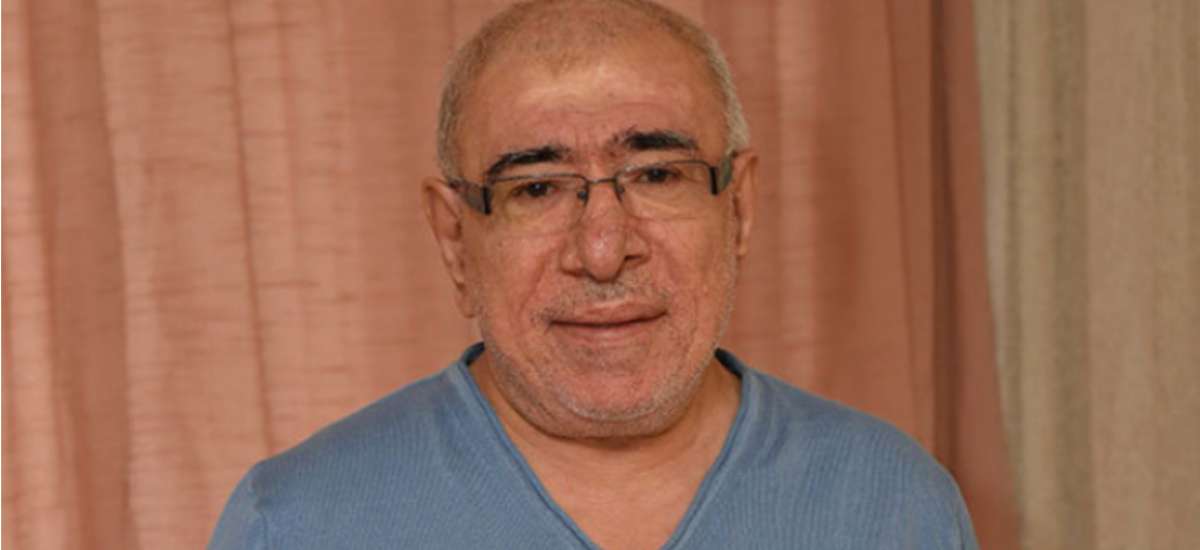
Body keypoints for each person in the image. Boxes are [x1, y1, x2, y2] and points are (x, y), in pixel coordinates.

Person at [209, 1, 978, 548]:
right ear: (454, 240)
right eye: (536, 188)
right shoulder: (299, 523)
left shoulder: (894, 505)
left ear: (739, 209)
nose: (604, 250)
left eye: (658, 175)